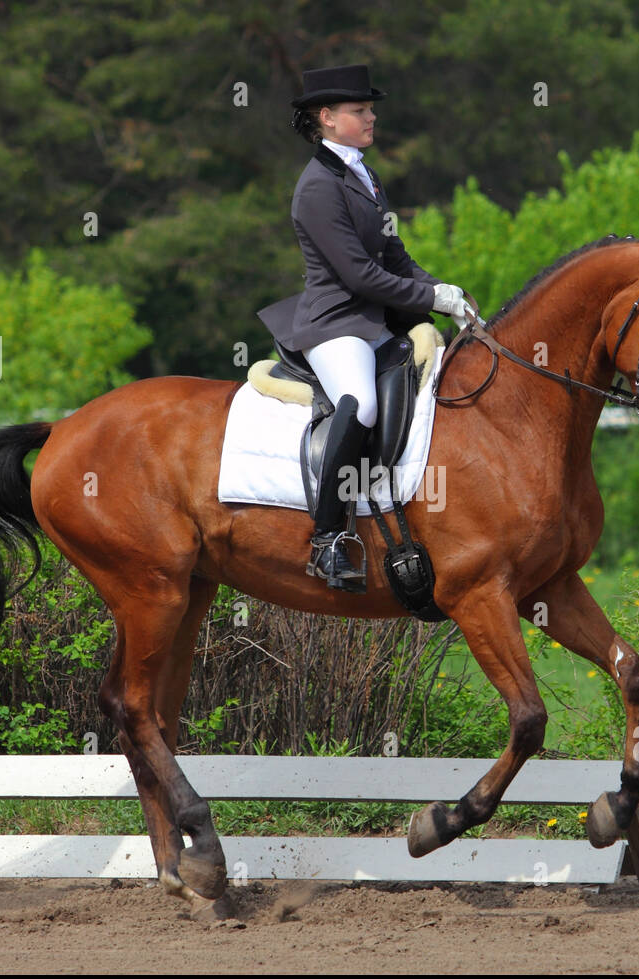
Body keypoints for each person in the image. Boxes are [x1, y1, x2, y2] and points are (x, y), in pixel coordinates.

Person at [257, 64, 471, 589]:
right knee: (363, 402)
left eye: (370, 109)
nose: (371, 116)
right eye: (360, 110)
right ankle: (328, 539)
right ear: (327, 118)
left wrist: (447, 292)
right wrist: (428, 298)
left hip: (376, 317)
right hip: (336, 323)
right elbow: (359, 274)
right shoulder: (316, 188)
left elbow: (396, 257)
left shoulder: (363, 174)